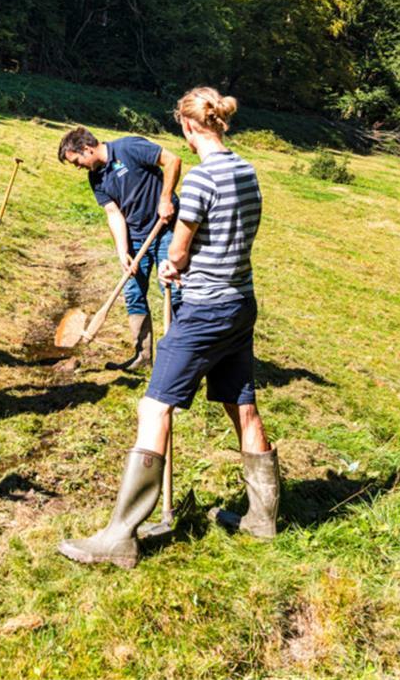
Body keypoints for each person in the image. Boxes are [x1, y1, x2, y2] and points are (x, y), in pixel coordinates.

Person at [58, 87, 280, 568]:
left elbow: (177, 252)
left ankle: (120, 536)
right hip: (241, 302)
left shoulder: (200, 181)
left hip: (204, 311)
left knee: (153, 407)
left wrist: (173, 268)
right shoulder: (247, 170)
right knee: (241, 404)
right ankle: (263, 519)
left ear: (187, 126)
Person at [58, 126, 182, 370]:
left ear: (86, 148)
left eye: (76, 161)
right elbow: (113, 213)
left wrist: (166, 198)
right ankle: (143, 357)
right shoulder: (96, 177)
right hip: (136, 237)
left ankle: (180, 361)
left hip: (165, 226)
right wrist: (122, 251)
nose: (78, 167)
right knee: (134, 293)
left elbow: (172, 160)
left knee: (172, 291)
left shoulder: (129, 147)